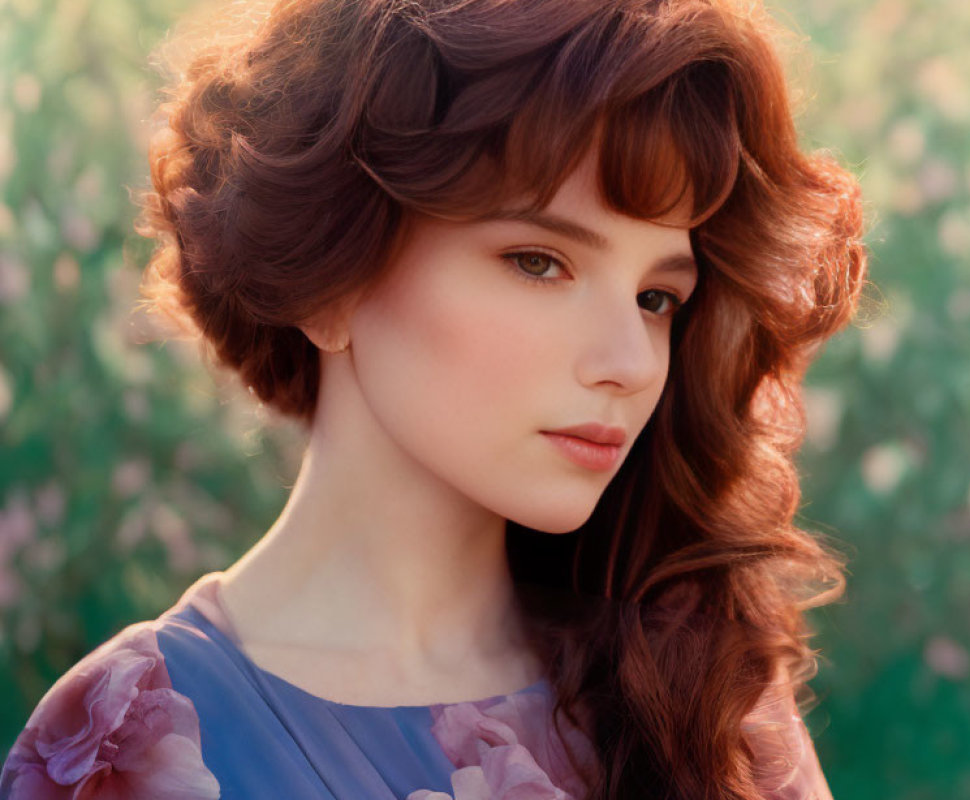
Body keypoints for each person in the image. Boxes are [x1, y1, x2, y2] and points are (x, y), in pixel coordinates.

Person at [0, 0, 867, 797]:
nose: (630, 362)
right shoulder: (127, 741)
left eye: (656, 299)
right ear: (328, 281)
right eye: (539, 262)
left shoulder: (708, 701)